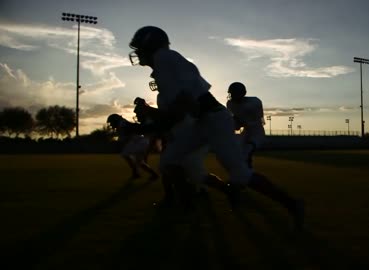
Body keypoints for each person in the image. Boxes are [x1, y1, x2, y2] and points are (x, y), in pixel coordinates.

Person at [129, 26, 304, 229]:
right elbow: (180, 112)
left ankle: (293, 204)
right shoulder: (165, 63)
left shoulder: (163, 60)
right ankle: (189, 210)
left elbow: (180, 111)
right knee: (169, 161)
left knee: (239, 174)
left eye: (139, 47)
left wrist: (145, 119)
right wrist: (149, 118)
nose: (137, 52)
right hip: (202, 121)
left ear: (149, 45)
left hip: (213, 120)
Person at [106, 113, 158, 180]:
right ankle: (152, 174)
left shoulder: (122, 124)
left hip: (139, 143)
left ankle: (136, 173)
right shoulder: (122, 124)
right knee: (139, 161)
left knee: (125, 154)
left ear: (115, 120)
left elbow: (126, 135)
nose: (111, 124)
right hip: (139, 142)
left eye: (111, 122)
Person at [226, 82, 266, 168]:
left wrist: (237, 122)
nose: (231, 95)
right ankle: (246, 172)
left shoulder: (254, 103)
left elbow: (254, 121)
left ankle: (248, 175)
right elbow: (237, 123)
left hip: (256, 131)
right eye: (231, 93)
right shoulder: (230, 104)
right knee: (238, 154)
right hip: (246, 131)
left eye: (234, 93)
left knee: (247, 151)